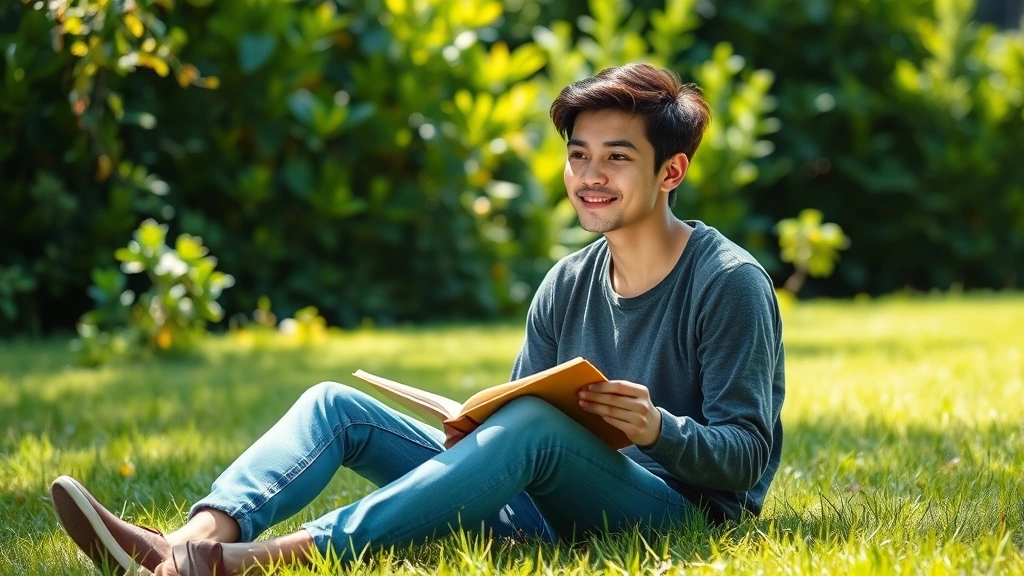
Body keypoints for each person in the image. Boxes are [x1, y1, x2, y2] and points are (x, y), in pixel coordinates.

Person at [50, 63, 785, 576]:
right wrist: (475, 431)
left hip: (672, 515)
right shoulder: (565, 283)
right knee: (333, 405)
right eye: (577, 155)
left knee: (530, 430)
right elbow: (521, 418)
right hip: (546, 511)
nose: (590, 176)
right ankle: (190, 543)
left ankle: (252, 564)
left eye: (616, 157)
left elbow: (747, 457)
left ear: (670, 172)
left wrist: (658, 430)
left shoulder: (726, 283)